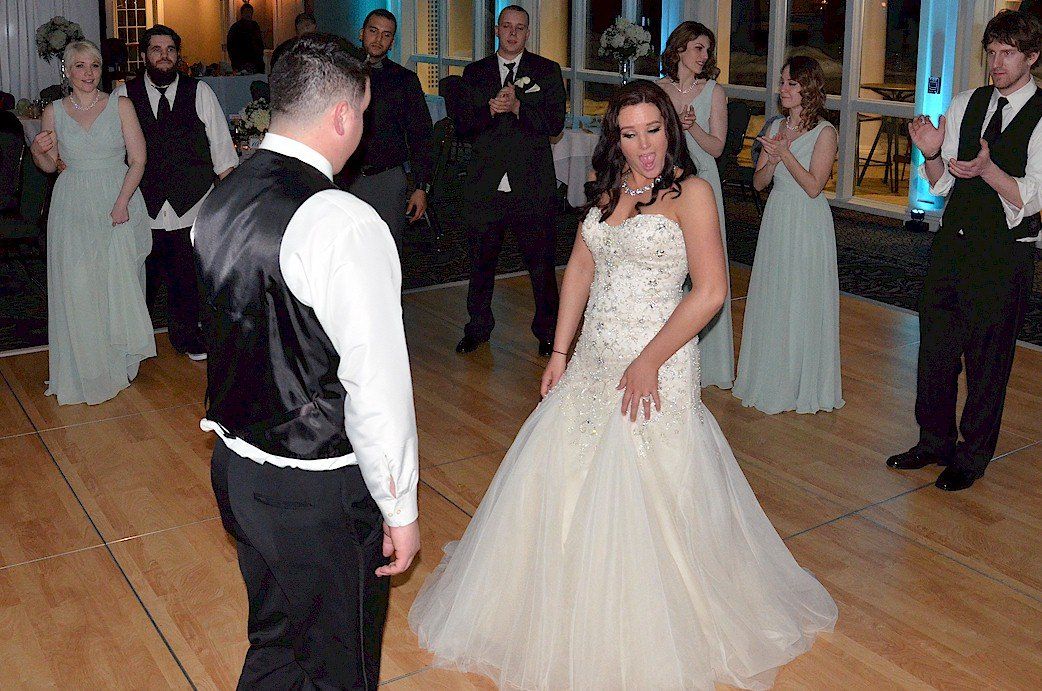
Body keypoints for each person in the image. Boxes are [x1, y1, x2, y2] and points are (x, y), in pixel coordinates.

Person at [409, 80, 837, 689]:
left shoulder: (691, 193)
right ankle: (568, 601)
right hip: (593, 358)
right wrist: (559, 350)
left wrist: (650, 360)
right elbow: (582, 265)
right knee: (568, 468)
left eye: (653, 131)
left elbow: (711, 291)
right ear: (616, 138)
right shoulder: (613, 191)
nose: (644, 147)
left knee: (647, 485)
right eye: (629, 134)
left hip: (657, 360)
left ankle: (655, 617)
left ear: (671, 128)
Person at [193, 34, 420, 688]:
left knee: (274, 643)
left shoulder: (220, 195)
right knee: (338, 668)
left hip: (235, 470)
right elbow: (375, 383)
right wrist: (399, 505)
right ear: (346, 116)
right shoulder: (342, 221)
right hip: (317, 489)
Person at [887, 10, 1042, 492]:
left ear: (1032, 58)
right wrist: (932, 152)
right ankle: (933, 440)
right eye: (991, 52)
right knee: (934, 350)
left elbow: (1033, 197)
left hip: (1005, 255)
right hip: (951, 248)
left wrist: (988, 170)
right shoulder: (965, 102)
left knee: (988, 360)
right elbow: (940, 185)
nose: (996, 63)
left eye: (1008, 54)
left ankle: (972, 455)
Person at [29, 40, 156, 405]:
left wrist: (121, 202)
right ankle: (82, 368)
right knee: (77, 285)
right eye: (80, 66)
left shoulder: (120, 104)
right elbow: (52, 166)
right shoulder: (53, 111)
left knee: (115, 283)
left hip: (117, 200)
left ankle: (116, 362)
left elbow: (139, 160)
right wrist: (39, 151)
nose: (88, 73)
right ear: (67, 70)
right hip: (71, 204)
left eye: (95, 66)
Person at [114, 25, 237, 361]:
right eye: (156, 49)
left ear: (178, 55)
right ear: (144, 55)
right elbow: (109, 151)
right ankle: (131, 345)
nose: (164, 55)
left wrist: (226, 212)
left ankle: (187, 336)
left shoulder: (200, 93)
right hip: (143, 205)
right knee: (141, 280)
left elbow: (223, 155)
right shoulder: (123, 95)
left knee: (187, 278)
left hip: (191, 204)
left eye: (170, 49)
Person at [732, 56, 844, 415]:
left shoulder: (826, 132)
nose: (783, 89)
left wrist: (786, 154)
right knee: (775, 293)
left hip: (808, 221)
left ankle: (801, 382)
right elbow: (759, 182)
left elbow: (814, 186)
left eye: (791, 83)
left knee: (801, 297)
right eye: (782, 82)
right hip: (778, 216)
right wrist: (771, 159)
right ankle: (770, 374)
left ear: (809, 89)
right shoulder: (777, 124)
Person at [454, 4, 566, 357]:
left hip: (531, 185)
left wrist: (519, 108)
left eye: (520, 27)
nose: (513, 33)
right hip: (486, 185)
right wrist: (489, 110)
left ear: (527, 33)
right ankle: (478, 327)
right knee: (481, 262)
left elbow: (555, 125)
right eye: (507, 26)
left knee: (541, 264)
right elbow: (463, 127)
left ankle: (548, 333)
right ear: (497, 31)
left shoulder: (546, 72)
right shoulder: (475, 73)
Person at [658, 21, 734, 390]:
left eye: (708, 50)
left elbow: (718, 148)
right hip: (665, 184)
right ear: (679, 50)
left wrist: (691, 127)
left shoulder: (714, 92)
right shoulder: (657, 90)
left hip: (702, 183)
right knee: (669, 263)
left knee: (705, 268)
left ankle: (709, 363)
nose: (705, 56)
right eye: (698, 48)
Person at [335, 9, 433, 254]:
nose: (378, 39)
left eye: (386, 35)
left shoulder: (405, 80)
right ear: (361, 33)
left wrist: (421, 186)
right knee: (345, 253)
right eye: (373, 31)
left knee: (387, 255)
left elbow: (421, 135)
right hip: (343, 178)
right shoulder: (340, 74)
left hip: (387, 180)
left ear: (392, 42)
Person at [226, 3, 265, 74]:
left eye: (250, 12)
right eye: (246, 12)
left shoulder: (255, 26)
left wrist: (260, 56)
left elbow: (259, 42)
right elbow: (231, 46)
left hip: (256, 62)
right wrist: (236, 62)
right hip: (241, 62)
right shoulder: (236, 27)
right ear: (242, 13)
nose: (248, 14)